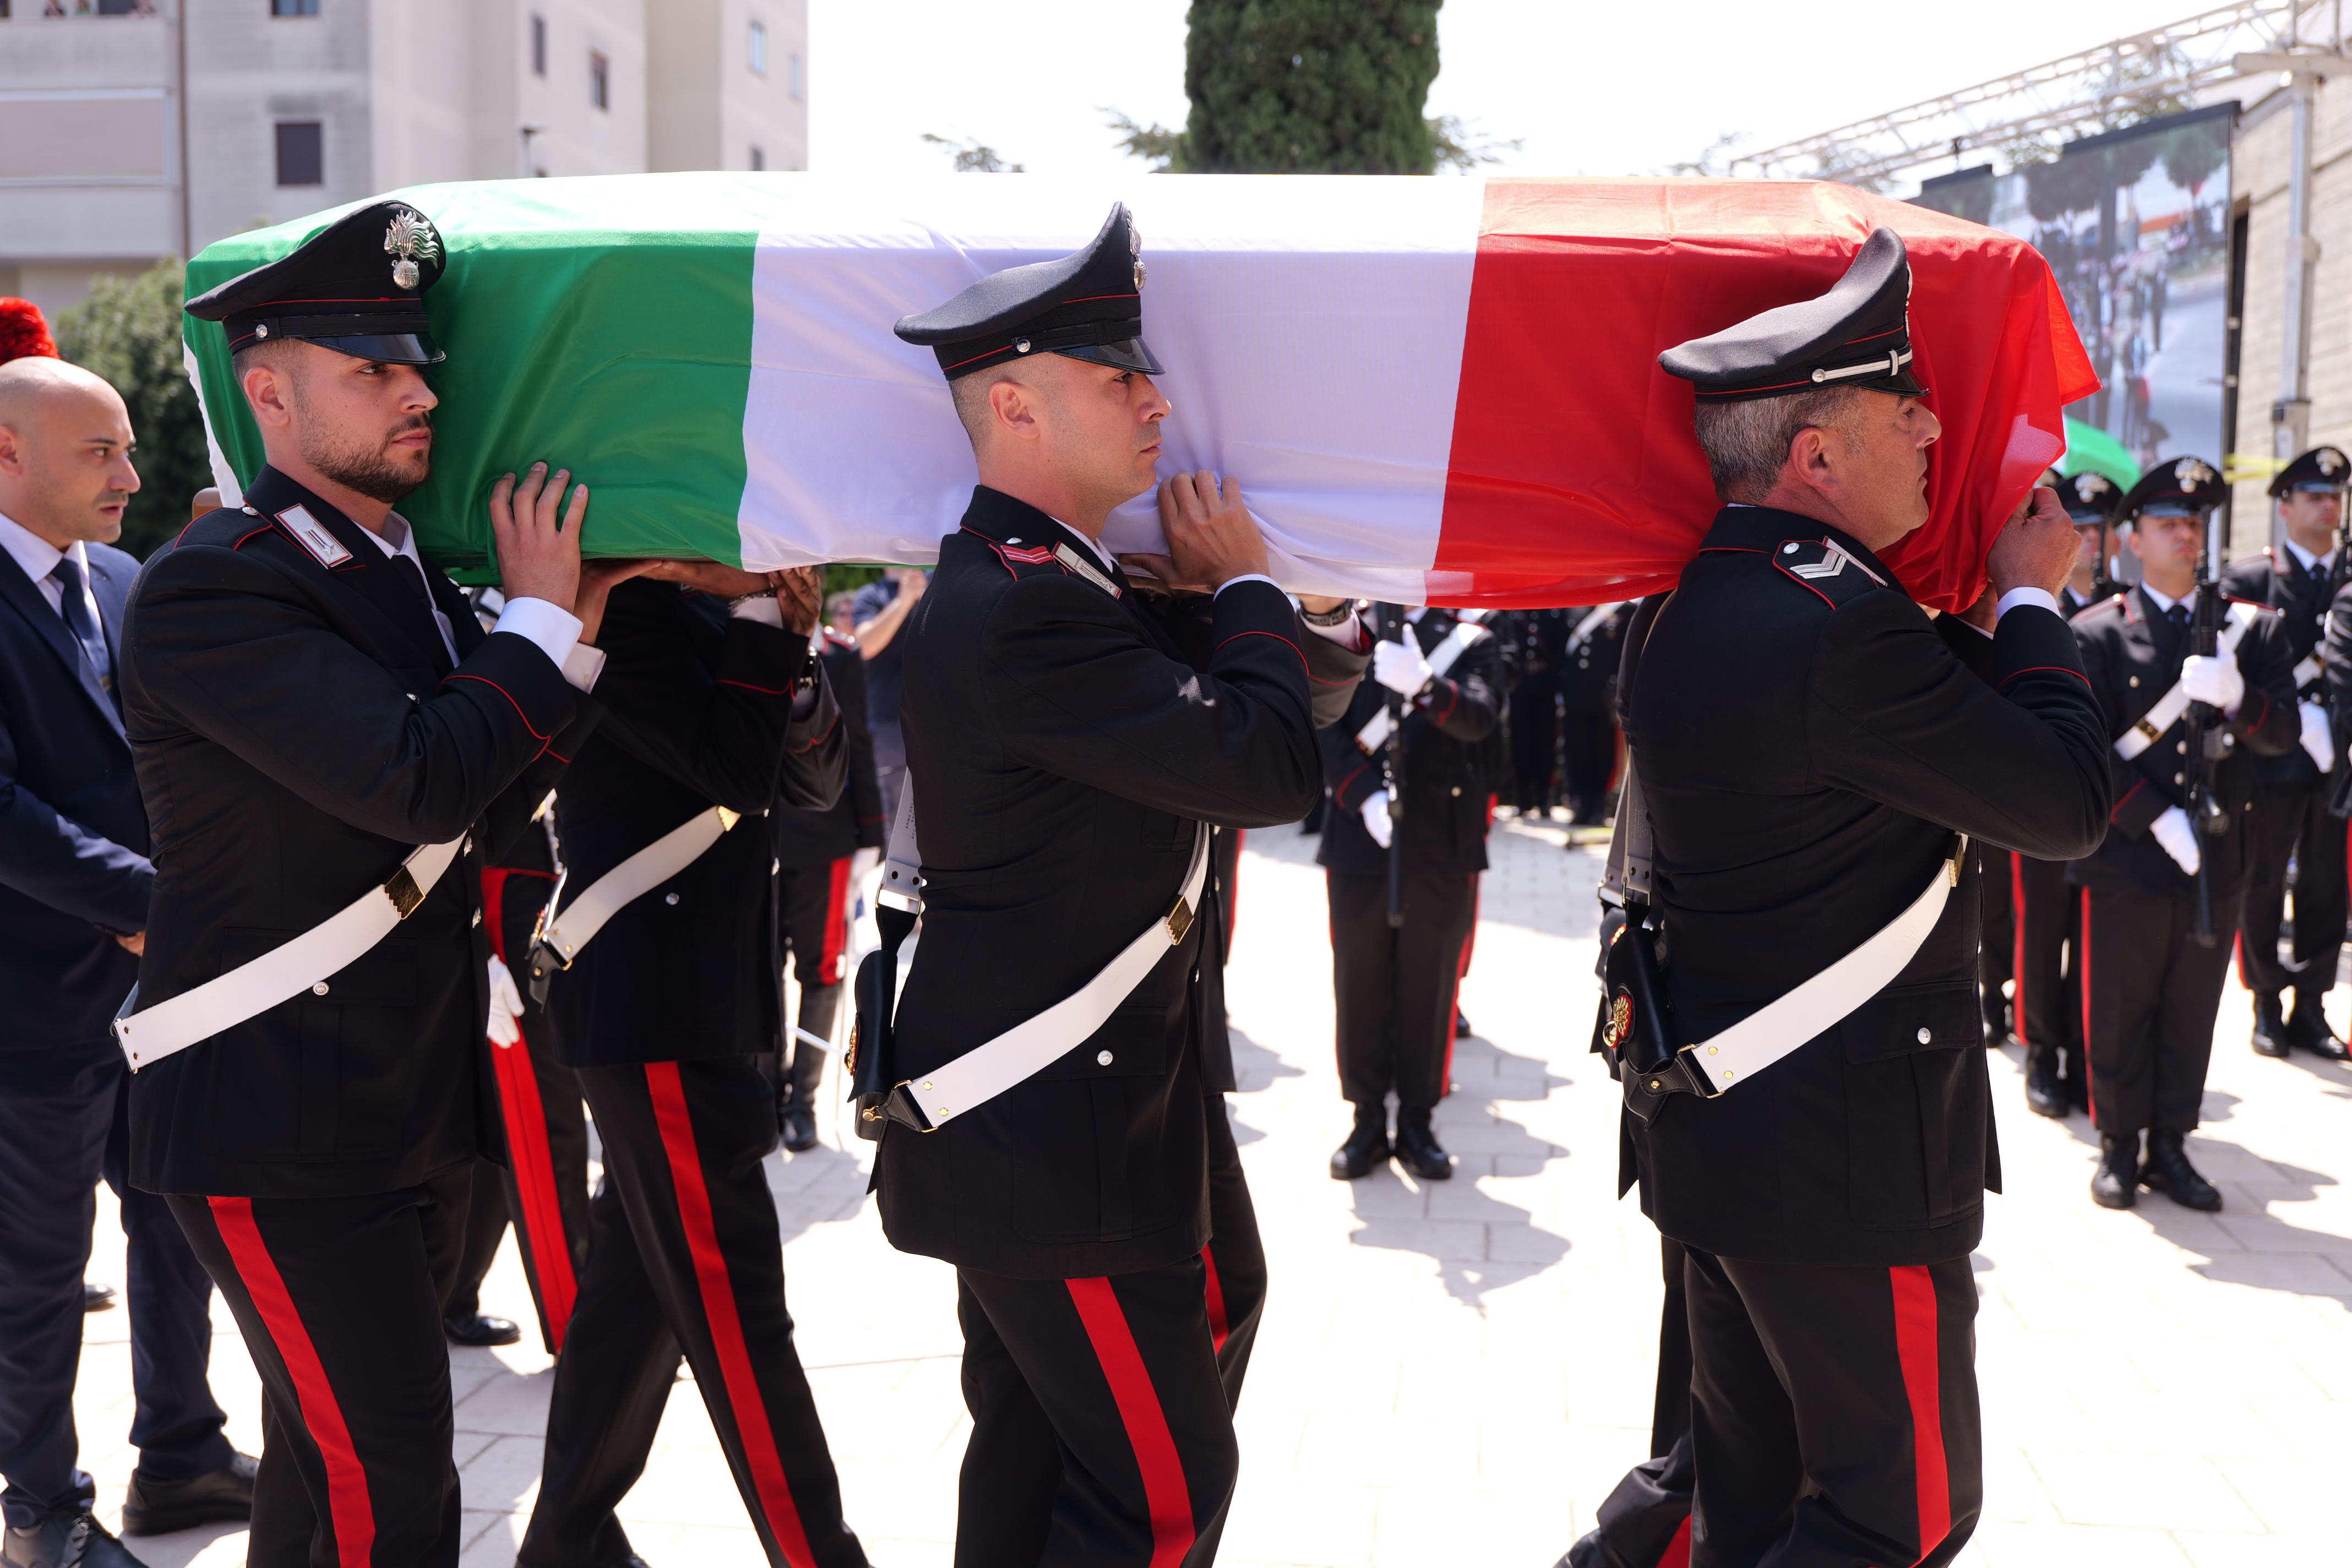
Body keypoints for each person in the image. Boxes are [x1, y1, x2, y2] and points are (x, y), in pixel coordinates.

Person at [128, 200, 626, 1568]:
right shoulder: (214, 586)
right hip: (268, 1107)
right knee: (392, 1485)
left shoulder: (403, 575)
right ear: (267, 389)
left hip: (398, 1098)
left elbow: (493, 793)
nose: (418, 392)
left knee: (327, 1469)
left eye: (419, 366)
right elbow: (416, 778)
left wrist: (567, 630)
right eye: (374, 372)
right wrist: (532, 619)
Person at [1623, 226, 2108, 1568]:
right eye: (1908, 409)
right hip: (1842, 1166)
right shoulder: (1839, 628)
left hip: (1730, 1147)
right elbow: (2064, 802)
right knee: (1900, 1513)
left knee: (1753, 1501)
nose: (1939, 431)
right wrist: (2028, 601)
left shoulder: (1696, 601)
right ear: (1817, 454)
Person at [880, 202, 1327, 1566]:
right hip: (1049, 1137)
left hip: (1082, 1113)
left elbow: (1228, 723)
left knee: (1039, 1464)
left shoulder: (1065, 588)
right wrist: (1248, 587)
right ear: (1013, 404)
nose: (1158, 399)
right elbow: (1260, 765)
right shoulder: (1026, 608)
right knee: (1158, 1496)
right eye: (1119, 375)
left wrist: (1226, 607)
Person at [518, 562, 864, 1568]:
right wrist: (760, 614)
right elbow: (733, 772)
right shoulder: (620, 605)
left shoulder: (714, 612)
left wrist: (784, 637)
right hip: (652, 1003)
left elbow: (814, 779)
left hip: (694, 998)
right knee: (737, 1307)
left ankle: (566, 1545)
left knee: (631, 1306)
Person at [0, 356, 251, 1568]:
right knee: (40, 1270)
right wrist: (150, 898)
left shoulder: (124, 577)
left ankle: (182, 1452)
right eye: (100, 450)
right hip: (29, 1004)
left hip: (152, 990)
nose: (131, 474)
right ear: (7, 453)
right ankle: (43, 1510)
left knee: (174, 1218)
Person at [2070, 458, 2298, 1210]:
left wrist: (2241, 698)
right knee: (2122, 1005)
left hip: (2218, 853)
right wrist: (2154, 816)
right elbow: (2083, 750)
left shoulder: (2248, 628)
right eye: (2168, 521)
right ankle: (2119, 1144)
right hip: (2130, 854)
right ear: (2132, 539)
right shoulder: (2098, 634)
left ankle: (2171, 1143)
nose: (2185, 534)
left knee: (2191, 1007)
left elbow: (2285, 736)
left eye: (2194, 522)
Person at [1319, 602, 1500, 1181]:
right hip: (1360, 831)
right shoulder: (1350, 630)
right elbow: (1320, 721)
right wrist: (1364, 795)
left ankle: (1418, 1119)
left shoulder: (1468, 636)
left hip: (1438, 842)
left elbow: (1479, 717)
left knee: (1431, 982)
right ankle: (1367, 1117)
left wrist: (1426, 684)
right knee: (1359, 978)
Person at [2221, 445, 2351, 1062]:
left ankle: (2313, 1004)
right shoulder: (2252, 578)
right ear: (2286, 506)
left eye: (2335, 496)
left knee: (2329, 882)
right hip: (2274, 757)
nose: (2329, 506)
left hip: (2340, 761)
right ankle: (2268, 1003)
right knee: (2265, 877)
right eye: (2315, 496)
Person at [2006, 471, 2125, 1118]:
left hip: (2107, 795)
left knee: (2091, 938)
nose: (2093, 541)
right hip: (2049, 782)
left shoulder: (2119, 604)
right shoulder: (2034, 602)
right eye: (2084, 526)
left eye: (2102, 529)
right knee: (2042, 925)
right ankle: (2042, 1052)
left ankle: (2081, 1051)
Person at [766, 614, 885, 1152]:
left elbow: (857, 741)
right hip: (756, 836)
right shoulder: (742, 640)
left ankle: (802, 1102)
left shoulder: (838, 655)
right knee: (759, 969)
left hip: (826, 837)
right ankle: (764, 1094)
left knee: (823, 969)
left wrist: (871, 836)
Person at [848, 563, 927, 818]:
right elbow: (865, 646)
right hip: (890, 719)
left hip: (941, 714)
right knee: (900, 811)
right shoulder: (871, 595)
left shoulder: (940, 580)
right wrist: (903, 602)